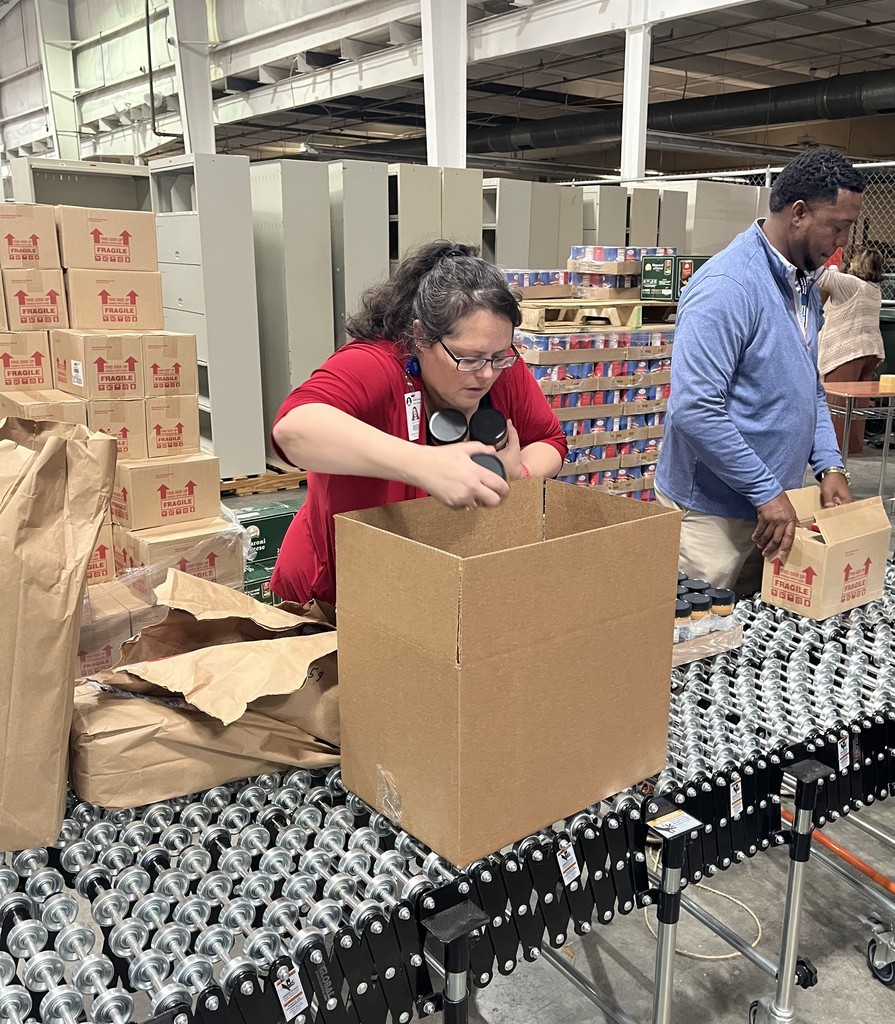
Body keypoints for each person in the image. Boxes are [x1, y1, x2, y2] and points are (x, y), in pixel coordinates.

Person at [270, 241, 567, 610]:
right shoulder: (374, 364)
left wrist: (519, 473)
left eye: (498, 356)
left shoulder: (501, 368)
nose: (486, 374)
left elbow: (549, 440)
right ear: (421, 337)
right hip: (335, 595)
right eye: (469, 358)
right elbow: (293, 430)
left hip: (427, 589)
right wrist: (422, 464)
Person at [655, 147, 865, 594]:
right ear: (799, 213)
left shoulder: (801, 283)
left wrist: (830, 465)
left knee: (751, 629)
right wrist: (765, 491)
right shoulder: (729, 287)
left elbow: (809, 387)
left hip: (771, 510)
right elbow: (694, 408)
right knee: (699, 627)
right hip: (712, 517)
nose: (843, 241)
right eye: (837, 226)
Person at [817, 248, 885, 455]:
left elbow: (821, 276)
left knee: (837, 403)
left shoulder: (851, 284)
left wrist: (833, 266)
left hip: (847, 351)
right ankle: (854, 446)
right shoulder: (875, 289)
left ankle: (832, 450)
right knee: (858, 406)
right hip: (870, 352)